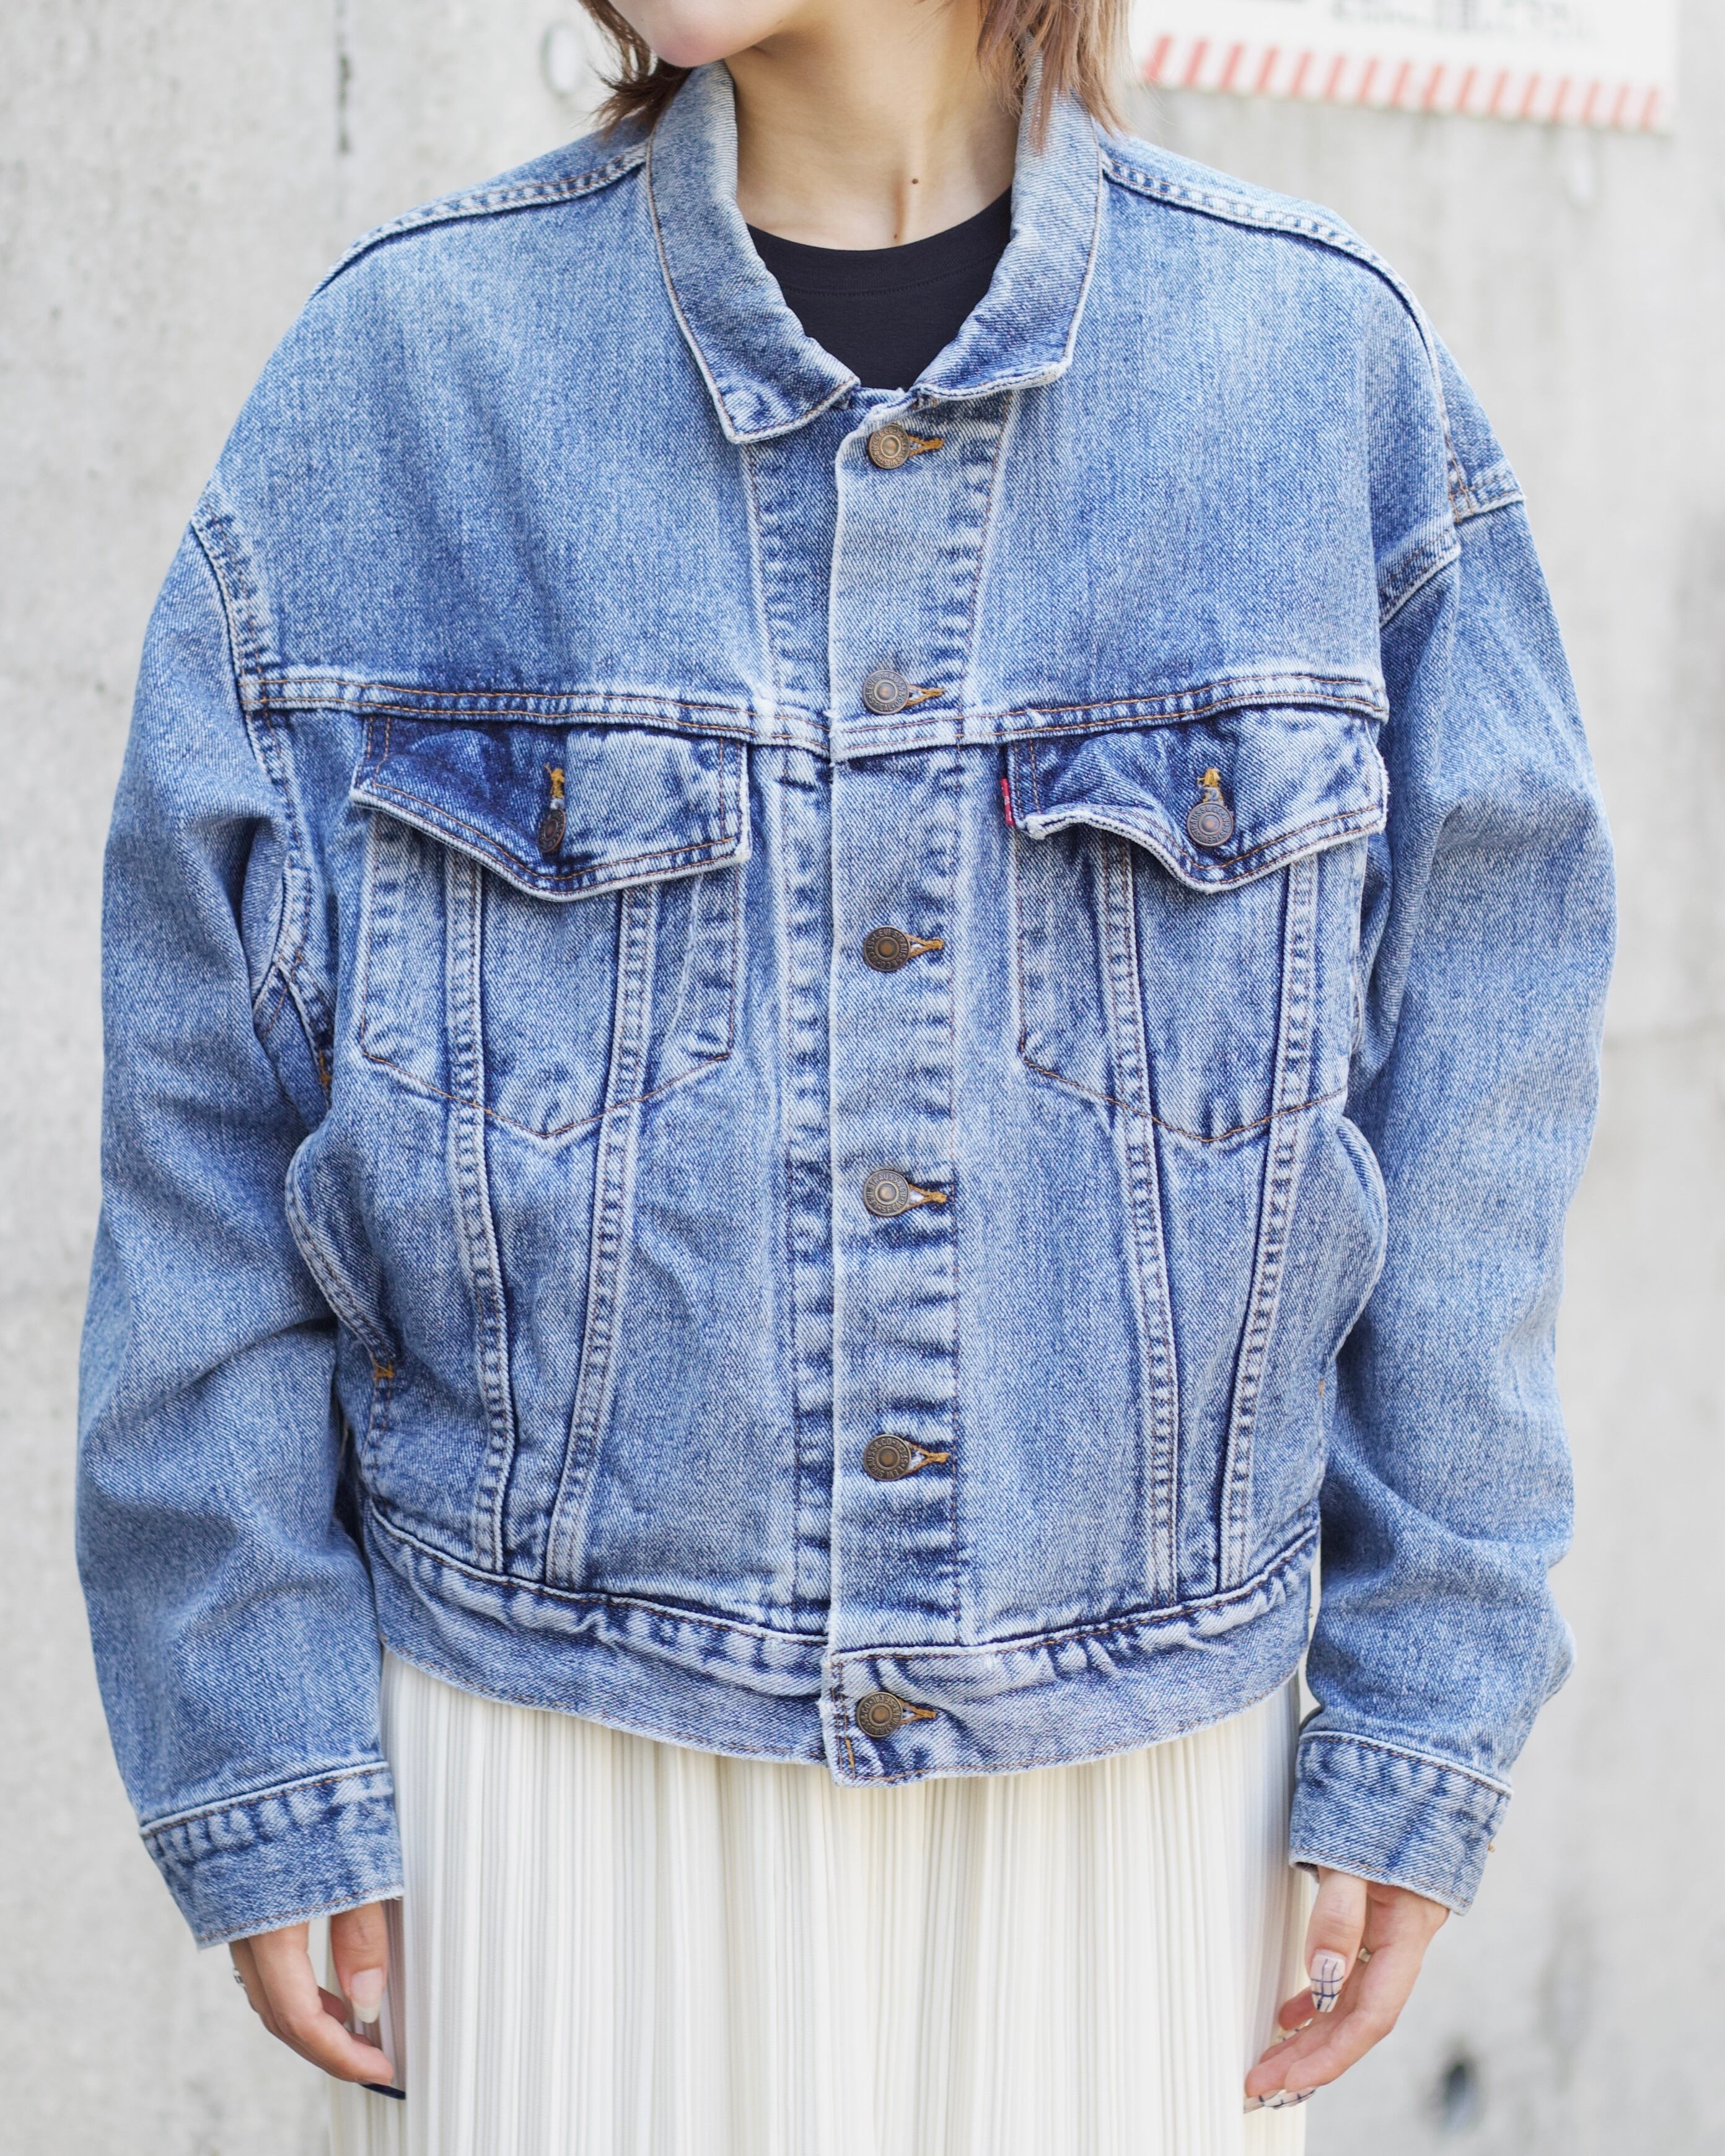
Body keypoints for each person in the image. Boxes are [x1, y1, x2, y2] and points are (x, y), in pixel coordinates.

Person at [76, 1, 1614, 2150]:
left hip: (1138, 1788)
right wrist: (260, 1736)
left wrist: (1421, 1705)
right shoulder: (408, 376)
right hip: (546, 1781)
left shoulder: (1317, 373)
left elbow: (1474, 1110)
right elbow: (205, 1127)